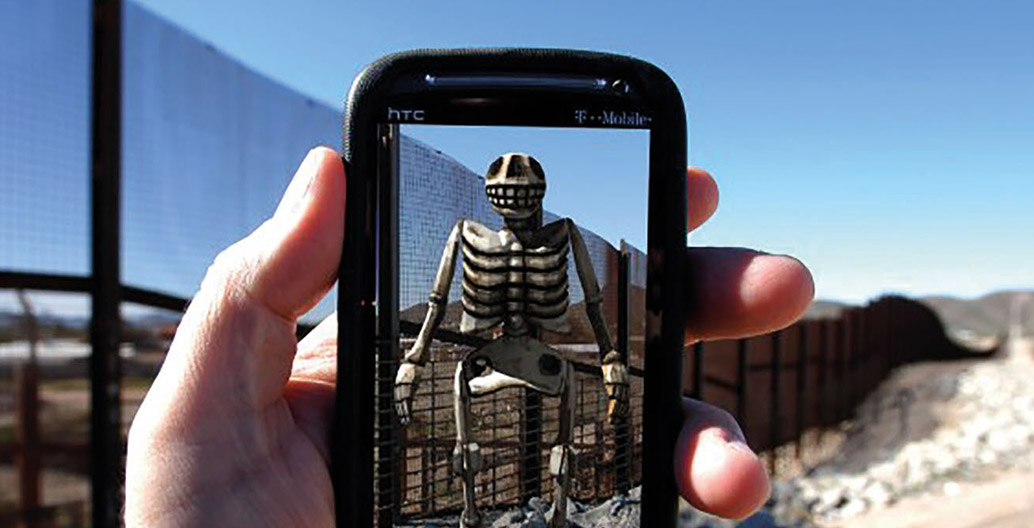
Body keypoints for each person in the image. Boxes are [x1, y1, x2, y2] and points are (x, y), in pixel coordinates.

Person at [124, 147, 814, 527]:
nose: (513, 199)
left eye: (523, 189)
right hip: (484, 349)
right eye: (504, 190)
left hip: (542, 352)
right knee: (460, 385)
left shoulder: (565, 237)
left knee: (568, 399)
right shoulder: (465, 236)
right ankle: (478, 504)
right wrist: (412, 358)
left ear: (538, 193)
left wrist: (608, 357)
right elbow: (436, 302)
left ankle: (562, 502)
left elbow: (596, 303)